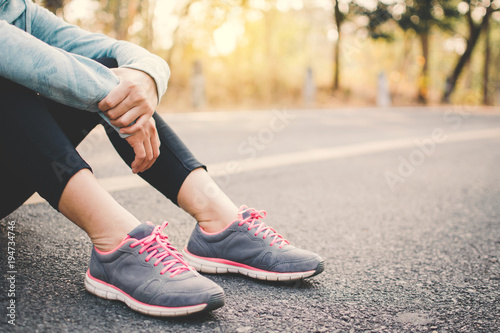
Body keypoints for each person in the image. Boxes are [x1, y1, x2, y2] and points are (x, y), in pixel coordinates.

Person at [0, 0, 324, 317]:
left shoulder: (14, 8)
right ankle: (114, 242)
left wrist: (146, 78)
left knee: (104, 65)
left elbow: (112, 49)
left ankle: (220, 225)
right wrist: (114, 90)